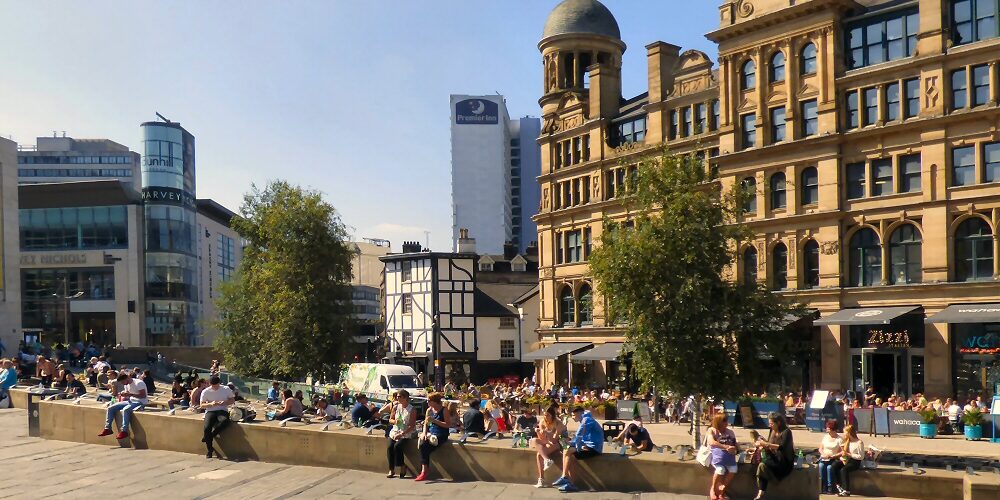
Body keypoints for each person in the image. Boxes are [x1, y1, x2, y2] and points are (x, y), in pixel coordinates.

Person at [553, 407, 603, 493]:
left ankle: (565, 477)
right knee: (567, 451)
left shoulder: (587, 420)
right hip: (587, 446)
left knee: (568, 450)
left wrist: (576, 447)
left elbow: (579, 435)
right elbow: (581, 438)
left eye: (573, 415)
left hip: (594, 449)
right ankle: (570, 483)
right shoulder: (585, 419)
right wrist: (570, 443)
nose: (572, 417)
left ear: (580, 413)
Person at [754, 413, 795, 500]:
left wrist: (766, 444)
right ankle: (761, 492)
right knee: (761, 466)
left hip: (784, 461)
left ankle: (766, 488)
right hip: (773, 458)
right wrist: (762, 446)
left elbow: (781, 447)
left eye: (772, 423)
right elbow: (769, 444)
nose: (770, 425)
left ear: (778, 423)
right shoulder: (772, 431)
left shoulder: (786, 432)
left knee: (763, 465)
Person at [97, 372, 148, 440]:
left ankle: (124, 431)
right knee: (111, 408)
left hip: (140, 402)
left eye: (123, 382)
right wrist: (123, 394)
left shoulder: (138, 383)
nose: (123, 384)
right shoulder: (126, 384)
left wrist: (130, 395)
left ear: (127, 378)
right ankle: (108, 428)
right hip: (131, 401)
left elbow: (143, 395)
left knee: (126, 409)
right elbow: (128, 394)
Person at [415, 392, 450, 482]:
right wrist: (424, 433)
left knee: (425, 447)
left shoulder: (444, 410)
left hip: (441, 433)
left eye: (429, 400)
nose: (427, 402)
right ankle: (424, 470)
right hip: (431, 432)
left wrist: (434, 421)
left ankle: (424, 471)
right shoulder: (429, 410)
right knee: (422, 444)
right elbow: (426, 424)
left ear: (435, 401)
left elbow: (448, 425)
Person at [199, 375, 235, 458]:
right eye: (213, 385)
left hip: (222, 410)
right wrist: (211, 404)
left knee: (225, 421)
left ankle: (211, 435)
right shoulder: (206, 391)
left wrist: (225, 402)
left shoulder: (226, 389)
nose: (214, 387)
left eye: (216, 385)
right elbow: (202, 405)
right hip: (210, 411)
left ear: (219, 383)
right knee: (207, 428)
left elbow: (232, 400)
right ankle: (210, 450)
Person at [533, 404, 566, 487]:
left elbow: (555, 440)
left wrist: (547, 432)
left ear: (552, 415)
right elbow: (542, 439)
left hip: (560, 443)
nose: (545, 417)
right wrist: (538, 432)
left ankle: (541, 479)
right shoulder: (542, 422)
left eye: (548, 415)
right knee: (534, 440)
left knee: (539, 455)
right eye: (544, 415)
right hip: (548, 442)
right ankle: (546, 460)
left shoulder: (558, 424)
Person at [386, 390, 417, 478]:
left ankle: (402, 466)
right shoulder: (396, 407)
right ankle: (391, 469)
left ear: (405, 398)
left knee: (397, 446)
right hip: (395, 430)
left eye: (399, 397)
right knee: (390, 447)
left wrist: (402, 434)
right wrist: (395, 421)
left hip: (407, 432)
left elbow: (412, 425)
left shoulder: (412, 409)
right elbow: (390, 420)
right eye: (397, 397)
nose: (397, 398)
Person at [708, 413, 739, 500]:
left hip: (729, 457)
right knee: (720, 470)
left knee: (733, 469)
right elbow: (711, 442)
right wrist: (726, 447)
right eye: (724, 421)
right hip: (718, 457)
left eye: (726, 421)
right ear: (718, 422)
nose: (726, 423)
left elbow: (735, 444)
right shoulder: (712, 430)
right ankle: (713, 489)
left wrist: (735, 448)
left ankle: (722, 490)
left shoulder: (730, 432)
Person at [832, 424, 864, 497]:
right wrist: (840, 457)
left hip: (855, 461)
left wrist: (849, 454)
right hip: (847, 460)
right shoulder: (847, 441)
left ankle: (846, 490)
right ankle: (839, 486)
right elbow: (843, 453)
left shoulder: (859, 442)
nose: (843, 434)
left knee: (844, 470)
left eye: (845, 432)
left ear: (849, 433)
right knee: (834, 465)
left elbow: (861, 456)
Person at [818, 420, 843, 494]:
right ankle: (823, 486)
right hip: (824, 458)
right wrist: (823, 454)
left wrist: (833, 456)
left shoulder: (839, 439)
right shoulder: (825, 437)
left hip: (834, 459)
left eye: (828, 428)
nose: (827, 429)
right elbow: (820, 448)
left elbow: (842, 452)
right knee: (821, 466)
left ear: (833, 429)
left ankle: (830, 487)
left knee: (829, 468)